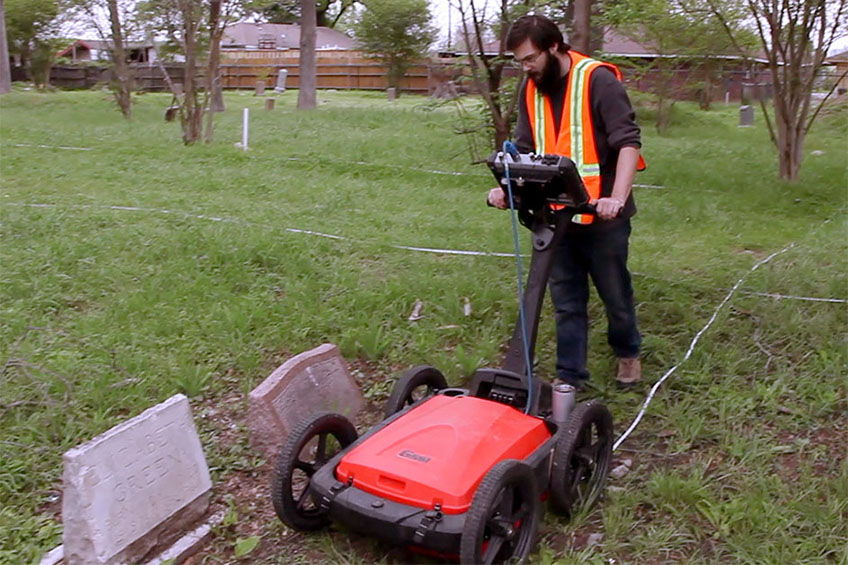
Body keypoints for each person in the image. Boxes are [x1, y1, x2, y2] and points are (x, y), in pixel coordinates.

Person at [487, 14, 645, 390]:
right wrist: (508, 189)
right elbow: (525, 149)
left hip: (603, 213)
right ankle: (570, 377)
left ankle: (628, 353)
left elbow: (628, 142)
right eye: (519, 62)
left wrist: (616, 199)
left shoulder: (598, 80)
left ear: (554, 46)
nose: (525, 68)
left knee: (614, 292)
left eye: (530, 59)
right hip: (555, 212)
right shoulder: (532, 87)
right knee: (566, 298)